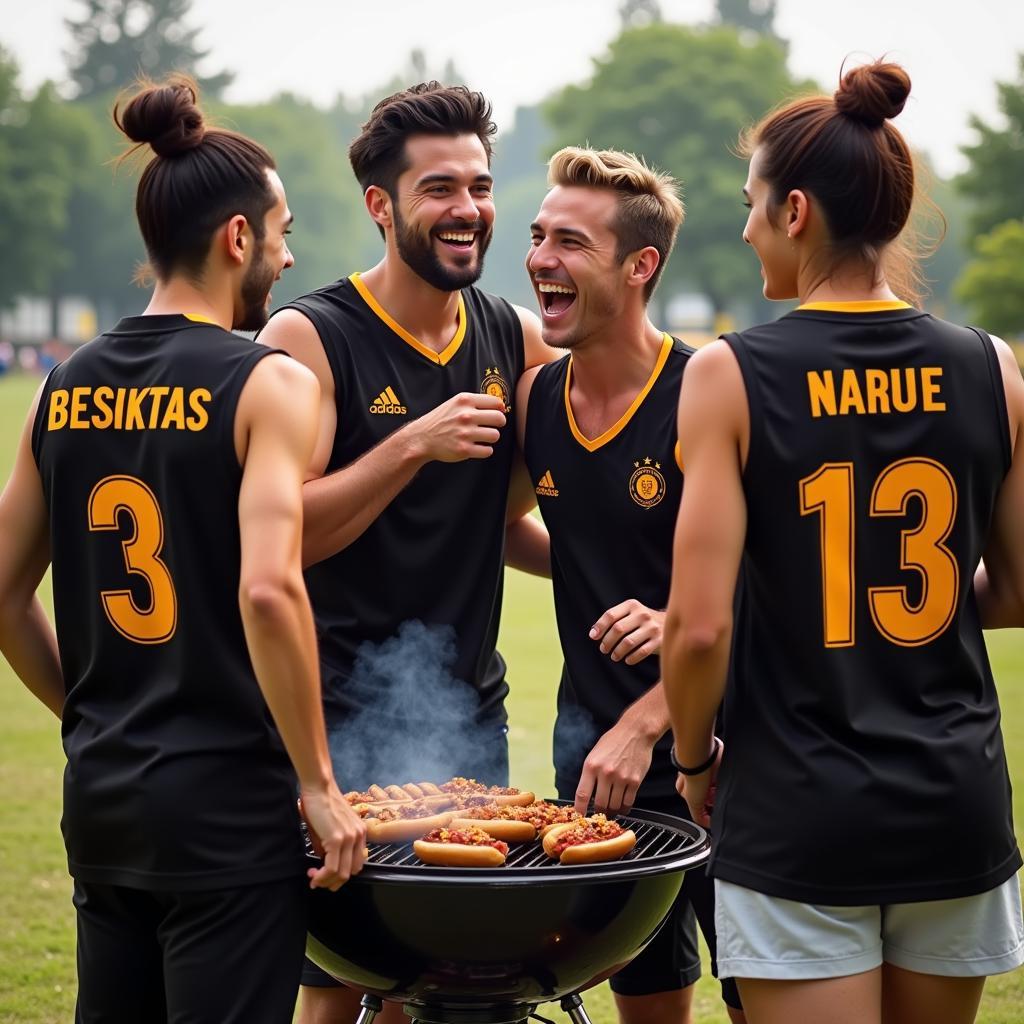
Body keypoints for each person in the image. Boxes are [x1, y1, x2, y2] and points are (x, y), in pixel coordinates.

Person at [661, 60, 1024, 1024]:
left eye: (749, 205)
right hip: (955, 799)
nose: (742, 230)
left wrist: (696, 767)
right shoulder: (994, 367)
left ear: (795, 212)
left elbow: (696, 631)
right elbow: (1023, 592)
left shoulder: (728, 375)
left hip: (798, 810)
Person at [0, 75, 366, 1024]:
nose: (288, 257)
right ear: (237, 237)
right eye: (281, 233)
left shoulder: (63, 384)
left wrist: (89, 716)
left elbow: (2, 592)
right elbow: (271, 593)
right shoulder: (270, 383)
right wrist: (320, 788)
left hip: (105, 801)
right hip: (227, 814)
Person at [258, 81, 552, 1024]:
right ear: (382, 206)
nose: (467, 209)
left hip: (468, 717)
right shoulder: (309, 336)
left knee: (441, 984)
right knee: (337, 982)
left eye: (479, 184)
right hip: (337, 718)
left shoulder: (512, 336)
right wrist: (410, 444)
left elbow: (507, 527)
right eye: (438, 188)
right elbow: (285, 539)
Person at [516, 146, 744, 1024]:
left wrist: (651, 715)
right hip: (596, 771)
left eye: (570, 242)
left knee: (765, 997)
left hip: (726, 762)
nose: (541, 258)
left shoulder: (706, 392)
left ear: (640, 265)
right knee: (647, 1002)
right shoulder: (536, 402)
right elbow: (507, 529)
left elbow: (767, 580)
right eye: (539, 237)